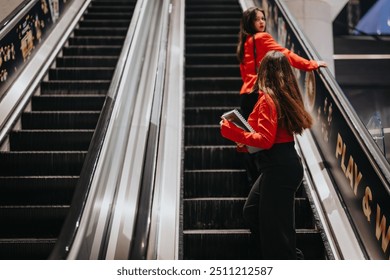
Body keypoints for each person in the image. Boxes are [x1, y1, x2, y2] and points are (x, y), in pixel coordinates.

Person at [220, 50, 313, 259]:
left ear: (264, 72)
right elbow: (271, 137)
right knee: (252, 212)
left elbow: (265, 140)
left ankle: (286, 261)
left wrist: (230, 130)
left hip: (279, 168)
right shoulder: (281, 98)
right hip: (279, 165)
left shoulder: (268, 100)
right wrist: (243, 142)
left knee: (277, 235)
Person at [236, 6, 326, 187]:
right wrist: (311, 64)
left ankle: (253, 180)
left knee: (249, 141)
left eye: (263, 18)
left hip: (245, 96)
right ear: (249, 22)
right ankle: (263, 180)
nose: (262, 22)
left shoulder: (244, 43)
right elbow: (285, 55)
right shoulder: (262, 38)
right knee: (265, 139)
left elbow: (244, 73)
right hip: (256, 94)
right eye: (257, 19)